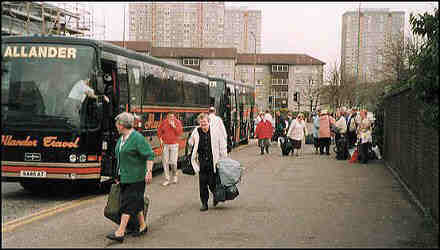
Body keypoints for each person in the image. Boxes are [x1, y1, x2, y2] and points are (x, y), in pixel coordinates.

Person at [106, 112, 155, 243]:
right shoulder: (122, 138)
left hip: (136, 178)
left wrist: (148, 171)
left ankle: (120, 232)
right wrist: (117, 174)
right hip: (124, 177)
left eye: (117, 123)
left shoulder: (137, 138)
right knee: (136, 202)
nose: (116, 126)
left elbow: (149, 154)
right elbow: (121, 157)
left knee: (127, 204)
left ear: (122, 125)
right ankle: (142, 225)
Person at [188, 113, 228, 211]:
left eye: (205, 123)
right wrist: (192, 151)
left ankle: (216, 196)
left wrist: (224, 158)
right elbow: (190, 143)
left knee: (212, 183)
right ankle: (204, 203)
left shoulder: (215, 131)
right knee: (202, 184)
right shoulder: (196, 132)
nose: (203, 126)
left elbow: (222, 145)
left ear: (208, 122)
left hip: (213, 162)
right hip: (202, 162)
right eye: (201, 124)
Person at [157, 111, 183, 186]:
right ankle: (167, 179)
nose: (171, 118)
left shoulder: (177, 122)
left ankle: (175, 175)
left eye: (172, 117)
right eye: (169, 117)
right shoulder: (164, 122)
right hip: (165, 145)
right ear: (167, 117)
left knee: (173, 162)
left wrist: (174, 126)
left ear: (174, 117)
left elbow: (179, 133)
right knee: (165, 162)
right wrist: (160, 139)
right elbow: (159, 132)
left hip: (174, 144)